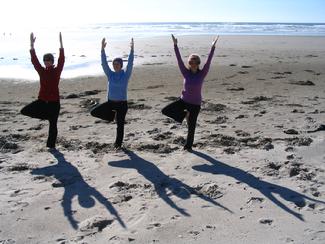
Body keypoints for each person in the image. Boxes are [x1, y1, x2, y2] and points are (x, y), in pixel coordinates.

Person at [162, 34, 219, 151]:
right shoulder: (185, 72)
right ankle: (184, 115)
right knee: (165, 110)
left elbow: (209, 60)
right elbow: (178, 59)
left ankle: (188, 147)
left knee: (191, 127)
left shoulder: (202, 73)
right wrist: (175, 45)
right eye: (191, 62)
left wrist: (213, 47)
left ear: (198, 63)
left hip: (195, 104)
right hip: (183, 101)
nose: (193, 64)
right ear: (189, 63)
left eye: (195, 62)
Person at [21, 32, 65, 149]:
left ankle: (51, 146)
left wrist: (61, 45)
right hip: (42, 102)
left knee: (53, 126)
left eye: (48, 59)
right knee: (25, 110)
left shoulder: (56, 71)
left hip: (54, 103)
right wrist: (31, 46)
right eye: (45, 59)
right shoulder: (42, 71)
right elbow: (34, 61)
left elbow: (61, 60)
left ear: (52, 61)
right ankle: (46, 116)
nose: (46, 61)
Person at [90, 37, 134, 149]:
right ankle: (111, 116)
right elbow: (104, 64)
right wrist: (102, 50)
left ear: (120, 65)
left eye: (117, 64)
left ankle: (118, 145)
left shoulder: (125, 75)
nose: (115, 66)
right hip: (110, 103)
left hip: (122, 104)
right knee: (94, 112)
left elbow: (130, 63)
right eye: (114, 64)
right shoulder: (110, 74)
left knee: (120, 126)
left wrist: (132, 51)